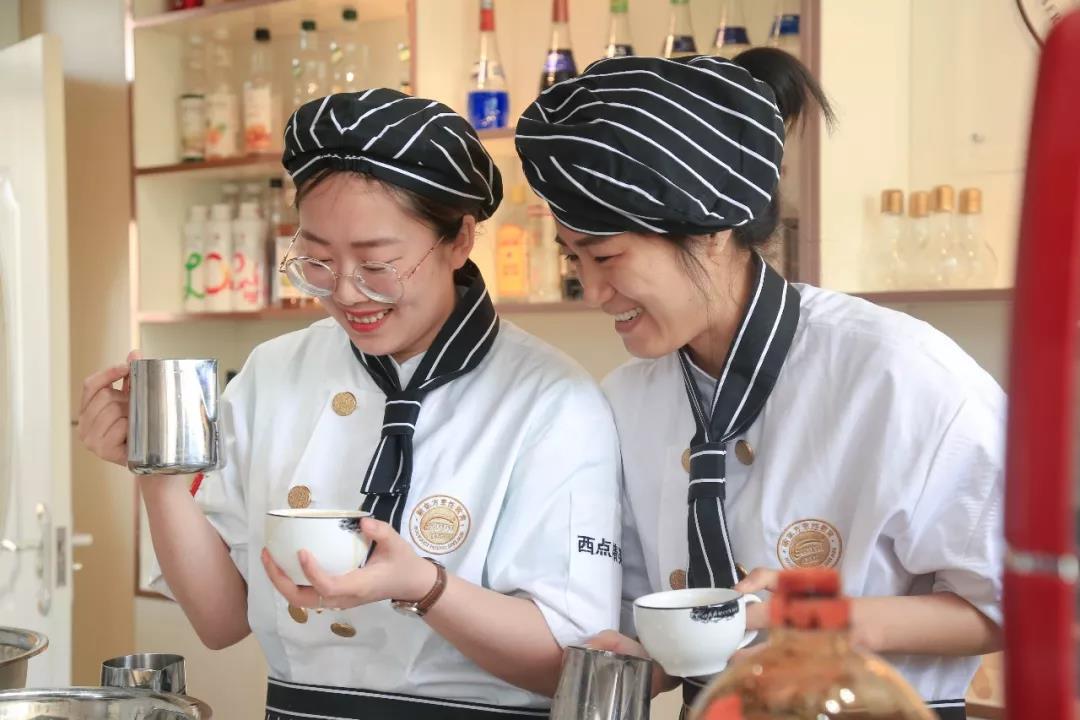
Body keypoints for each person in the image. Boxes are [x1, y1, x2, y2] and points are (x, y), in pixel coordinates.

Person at [78, 90, 622, 719]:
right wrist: (158, 471)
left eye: (377, 264)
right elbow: (221, 620)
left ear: (460, 239)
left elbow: (568, 662)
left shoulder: (552, 400)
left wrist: (425, 587)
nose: (345, 292)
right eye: (317, 260)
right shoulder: (274, 371)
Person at [515, 50, 1003, 720]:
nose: (592, 290)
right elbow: (647, 618)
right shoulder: (626, 399)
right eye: (574, 258)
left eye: (606, 256)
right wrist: (636, 654)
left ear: (713, 232)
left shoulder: (897, 373)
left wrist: (816, 620)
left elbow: (1014, 603)